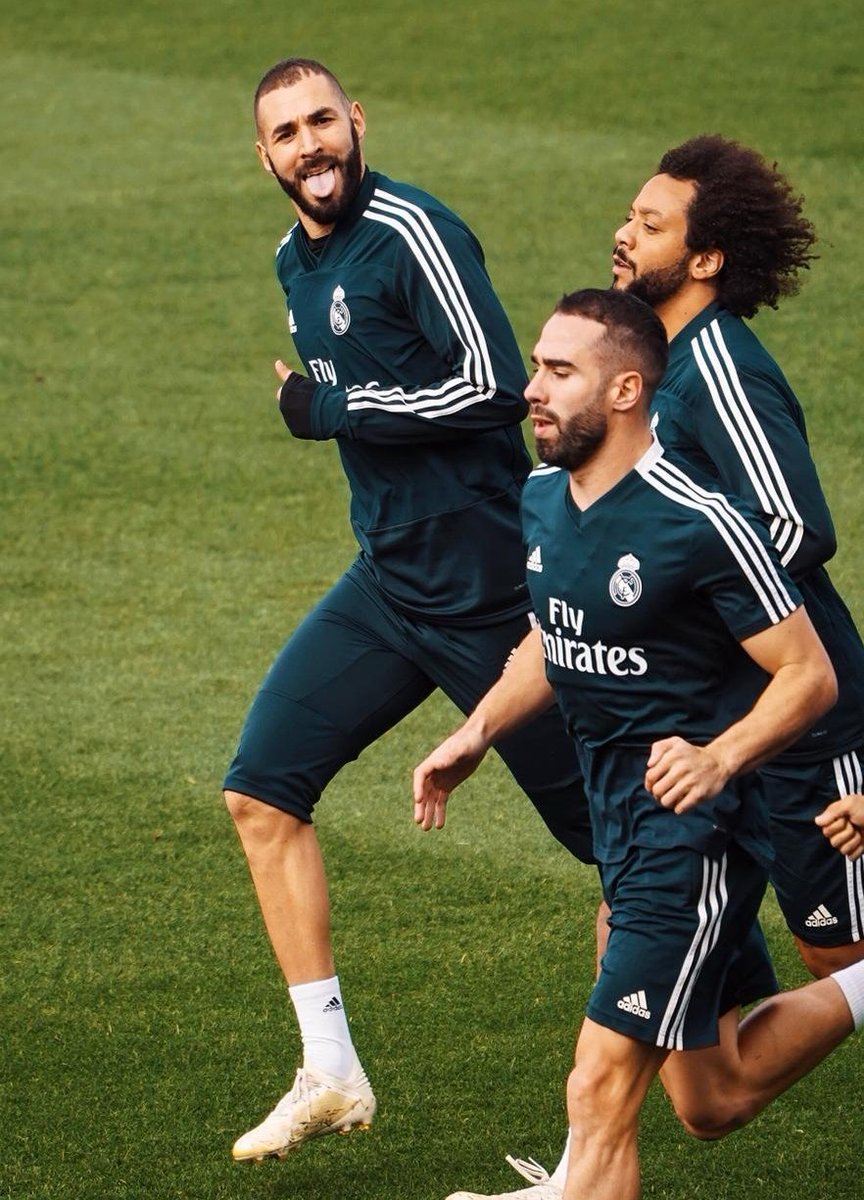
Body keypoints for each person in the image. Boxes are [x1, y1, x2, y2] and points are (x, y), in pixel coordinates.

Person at [445, 134, 864, 1200]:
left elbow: (793, 527)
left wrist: (672, 611)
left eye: (650, 223)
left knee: (839, 955)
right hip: (687, 748)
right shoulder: (588, 449)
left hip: (792, 728)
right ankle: (587, 1168)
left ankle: (585, 1170)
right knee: (703, 1088)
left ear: (706, 257)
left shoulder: (717, 368)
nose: (623, 234)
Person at [223, 57, 594, 1163]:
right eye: (286, 133)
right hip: (388, 586)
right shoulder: (292, 260)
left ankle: (780, 983)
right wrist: (344, 413)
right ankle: (330, 1069)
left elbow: (494, 385)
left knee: (622, 844)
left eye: (321, 121)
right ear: (264, 156)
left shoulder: (415, 231)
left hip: (498, 603)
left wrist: (336, 407)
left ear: (357, 121)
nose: (309, 146)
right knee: (260, 790)